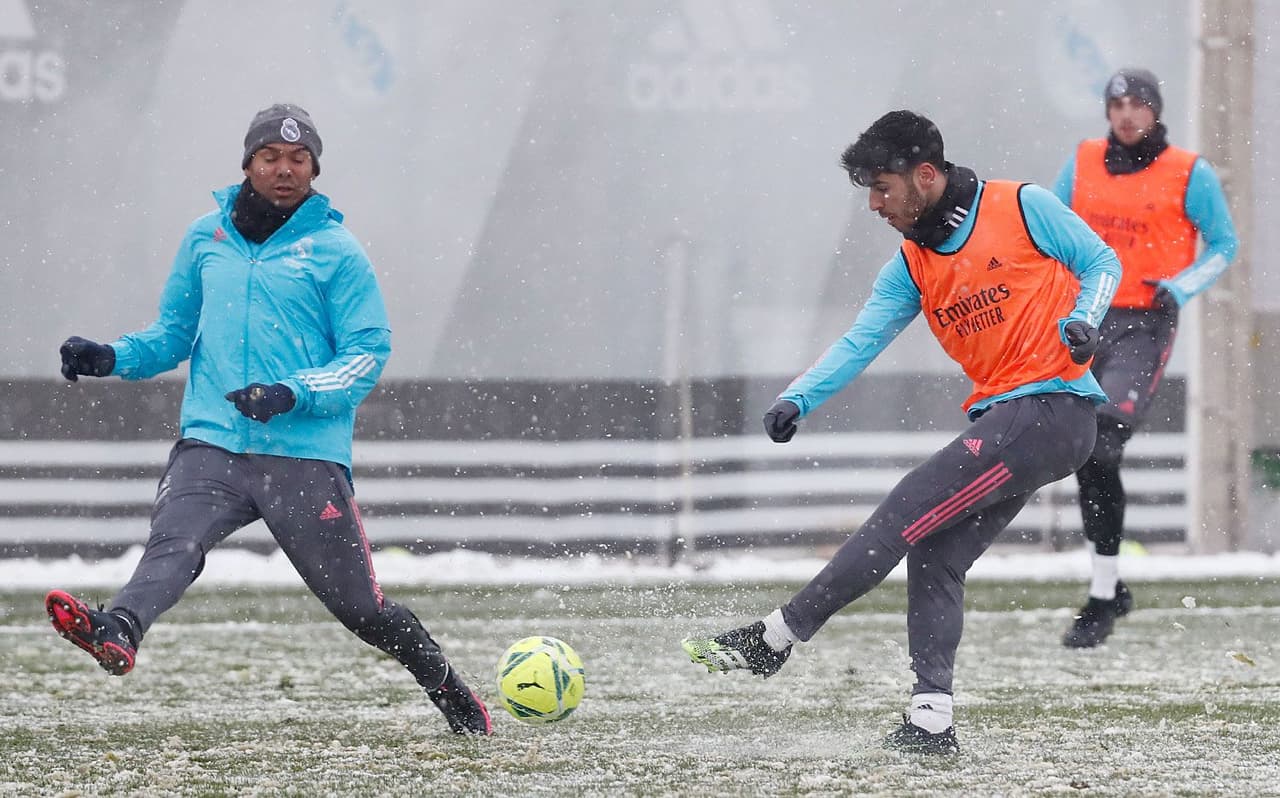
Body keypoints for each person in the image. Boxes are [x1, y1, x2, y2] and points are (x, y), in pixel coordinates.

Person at [681, 110, 1120, 754]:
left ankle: (778, 636)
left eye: (881, 187)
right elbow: (863, 340)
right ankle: (930, 722)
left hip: (1052, 409)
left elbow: (1102, 259)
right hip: (1019, 423)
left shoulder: (1023, 204)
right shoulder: (912, 264)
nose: (873, 203)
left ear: (924, 174)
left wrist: (1086, 317)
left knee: (902, 514)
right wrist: (799, 398)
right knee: (934, 553)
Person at [47, 103, 492, 736]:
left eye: (298, 159)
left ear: (314, 168)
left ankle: (446, 687)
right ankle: (118, 629)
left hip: (303, 455)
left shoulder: (337, 251)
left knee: (361, 610)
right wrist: (112, 356)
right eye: (270, 158)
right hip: (214, 443)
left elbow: (366, 353)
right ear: (248, 164)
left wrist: (293, 392)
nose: (284, 170)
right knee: (174, 546)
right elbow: (173, 334)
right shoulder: (206, 237)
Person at [1052, 68, 1238, 648]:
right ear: (1106, 112)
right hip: (1086, 316)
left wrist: (1179, 287)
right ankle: (1109, 586)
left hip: (1144, 323)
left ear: (1155, 110)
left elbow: (1225, 244)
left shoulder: (1190, 172)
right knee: (1085, 450)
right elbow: (1045, 229)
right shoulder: (1081, 161)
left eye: (1138, 104)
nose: (1127, 115)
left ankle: (1103, 598)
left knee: (1103, 442)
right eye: (1117, 105)